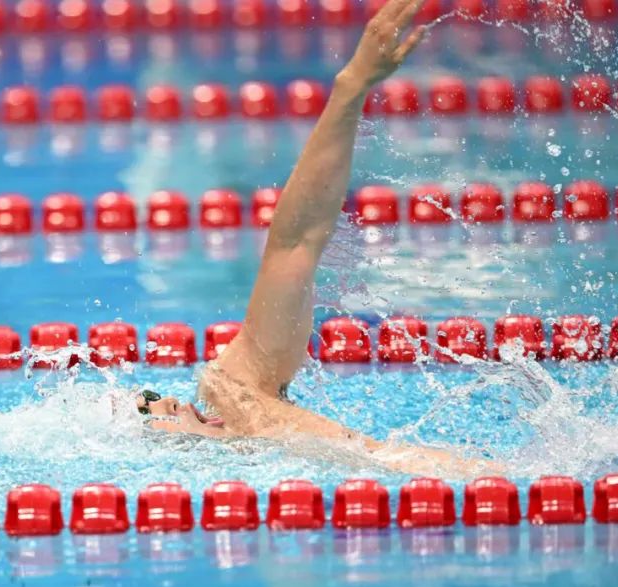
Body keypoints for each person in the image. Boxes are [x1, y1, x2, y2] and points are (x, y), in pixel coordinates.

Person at [136, 0, 500, 477]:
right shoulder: (251, 423)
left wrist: (351, 88)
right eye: (147, 412)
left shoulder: (236, 388)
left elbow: (295, 240)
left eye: (149, 399)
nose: (163, 401)